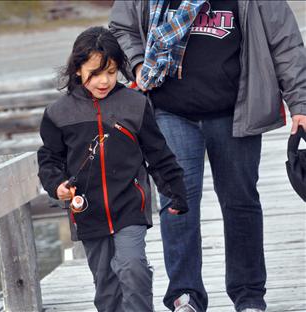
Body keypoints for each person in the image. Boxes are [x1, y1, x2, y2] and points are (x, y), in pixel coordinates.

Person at [109, 1, 306, 312]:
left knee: (240, 201)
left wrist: (300, 103)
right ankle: (184, 296)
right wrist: (137, 65)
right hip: (170, 110)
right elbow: (122, 27)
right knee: (178, 202)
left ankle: (249, 296)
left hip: (236, 110)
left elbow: (286, 42)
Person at [37, 26, 189, 312]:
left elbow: (158, 154)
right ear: (78, 69)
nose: (104, 81)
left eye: (111, 71)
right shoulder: (58, 114)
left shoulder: (135, 104)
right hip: (87, 211)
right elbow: (49, 158)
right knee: (106, 285)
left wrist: (175, 191)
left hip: (129, 204)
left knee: (133, 267)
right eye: (95, 73)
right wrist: (56, 184)